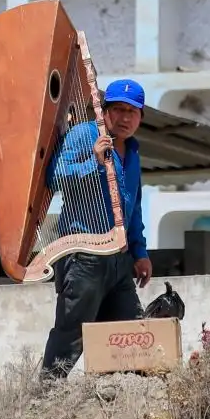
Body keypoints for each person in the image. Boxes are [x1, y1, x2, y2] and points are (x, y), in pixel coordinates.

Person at [39, 79, 153, 378]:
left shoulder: (134, 153)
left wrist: (140, 253)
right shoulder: (84, 135)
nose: (125, 118)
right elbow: (54, 177)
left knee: (129, 334)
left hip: (119, 257)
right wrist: (94, 162)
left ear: (141, 116)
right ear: (104, 111)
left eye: (132, 111)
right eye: (118, 110)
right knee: (72, 332)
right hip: (83, 255)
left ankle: (118, 399)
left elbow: (134, 206)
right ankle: (44, 397)